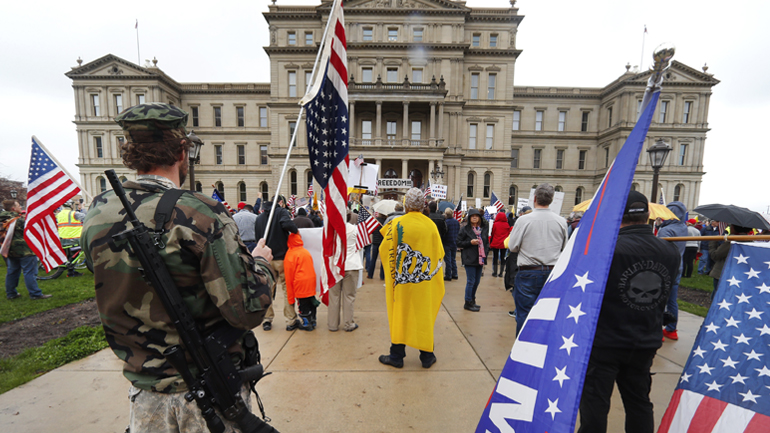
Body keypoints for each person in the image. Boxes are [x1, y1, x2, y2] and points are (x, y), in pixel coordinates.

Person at [80, 103, 274, 432]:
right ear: (182, 151)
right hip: (207, 396)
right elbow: (247, 311)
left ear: (129, 151)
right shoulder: (198, 212)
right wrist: (263, 266)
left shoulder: (98, 213)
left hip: (145, 395)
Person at [577, 191, 680, 433]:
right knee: (639, 402)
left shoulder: (606, 250)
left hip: (605, 341)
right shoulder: (669, 252)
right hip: (644, 340)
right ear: (647, 215)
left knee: (595, 406)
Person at [378, 188, 444, 369]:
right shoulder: (430, 225)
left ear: (406, 205)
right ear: (422, 205)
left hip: (402, 281)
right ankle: (427, 356)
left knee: (400, 314)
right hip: (423, 281)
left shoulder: (397, 223)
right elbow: (440, 253)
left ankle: (397, 356)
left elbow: (384, 250)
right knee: (423, 315)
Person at [507, 184, 567, 335]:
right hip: (552, 272)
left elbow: (512, 246)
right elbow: (564, 248)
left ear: (534, 199)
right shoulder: (561, 221)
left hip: (528, 272)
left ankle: (523, 349)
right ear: (551, 200)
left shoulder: (524, 220)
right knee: (548, 315)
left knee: (524, 314)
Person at [255, 195, 300, 331]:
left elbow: (257, 238)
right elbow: (287, 224)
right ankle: (290, 320)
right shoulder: (280, 211)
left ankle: (267, 319)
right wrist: (296, 231)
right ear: (280, 202)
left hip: (265, 260)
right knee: (287, 289)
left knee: (267, 289)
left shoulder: (259, 218)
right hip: (281, 258)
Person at [1, 199, 52, 300]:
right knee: (29, 272)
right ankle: (35, 293)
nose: (21, 207)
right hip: (25, 250)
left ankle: (11, 294)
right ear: (13, 208)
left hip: (9, 250)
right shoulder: (19, 221)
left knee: (12, 272)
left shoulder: (2, 219)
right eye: (19, 205)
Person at [656, 201, 688, 341]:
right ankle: (671, 329)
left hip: (664, 268)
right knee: (672, 301)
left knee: (659, 300)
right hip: (678, 267)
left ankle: (657, 329)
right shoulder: (683, 227)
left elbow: (658, 251)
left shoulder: (665, 230)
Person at [328, 211, 363, 332]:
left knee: (334, 296)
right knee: (349, 296)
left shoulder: (331, 230)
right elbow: (361, 244)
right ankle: (348, 323)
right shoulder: (355, 229)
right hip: (351, 264)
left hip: (336, 265)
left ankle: (333, 324)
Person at [284, 232, 318, 331]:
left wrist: (290, 298)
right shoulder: (305, 251)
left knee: (303, 305)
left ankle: (307, 324)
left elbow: (289, 277)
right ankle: (313, 320)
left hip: (300, 284)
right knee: (311, 301)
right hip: (311, 281)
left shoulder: (290, 255)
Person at [456, 208, 489, 312]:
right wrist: (470, 242)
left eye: (477, 216)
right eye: (472, 216)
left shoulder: (483, 229)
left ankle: (472, 300)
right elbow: (458, 242)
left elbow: (486, 243)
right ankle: (467, 302)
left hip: (480, 259)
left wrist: (485, 253)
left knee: (477, 281)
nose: (475, 217)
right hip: (469, 258)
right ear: (469, 218)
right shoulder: (465, 229)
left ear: (479, 218)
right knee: (471, 281)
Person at [56, 200, 86, 277]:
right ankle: (71, 271)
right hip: (74, 237)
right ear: (71, 205)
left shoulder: (58, 214)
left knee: (69, 255)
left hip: (63, 237)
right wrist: (83, 207)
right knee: (75, 254)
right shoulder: (74, 213)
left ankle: (70, 270)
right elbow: (86, 216)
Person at [489, 211, 510, 278]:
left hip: (496, 242)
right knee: (502, 258)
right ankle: (501, 273)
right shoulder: (507, 224)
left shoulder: (495, 224)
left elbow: (493, 233)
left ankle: (495, 272)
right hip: (503, 243)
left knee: (495, 257)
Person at [443, 207, 460, 281]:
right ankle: (455, 274)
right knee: (453, 259)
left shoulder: (446, 222)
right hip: (454, 242)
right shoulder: (456, 222)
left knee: (448, 260)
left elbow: (444, 233)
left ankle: (448, 275)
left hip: (447, 242)